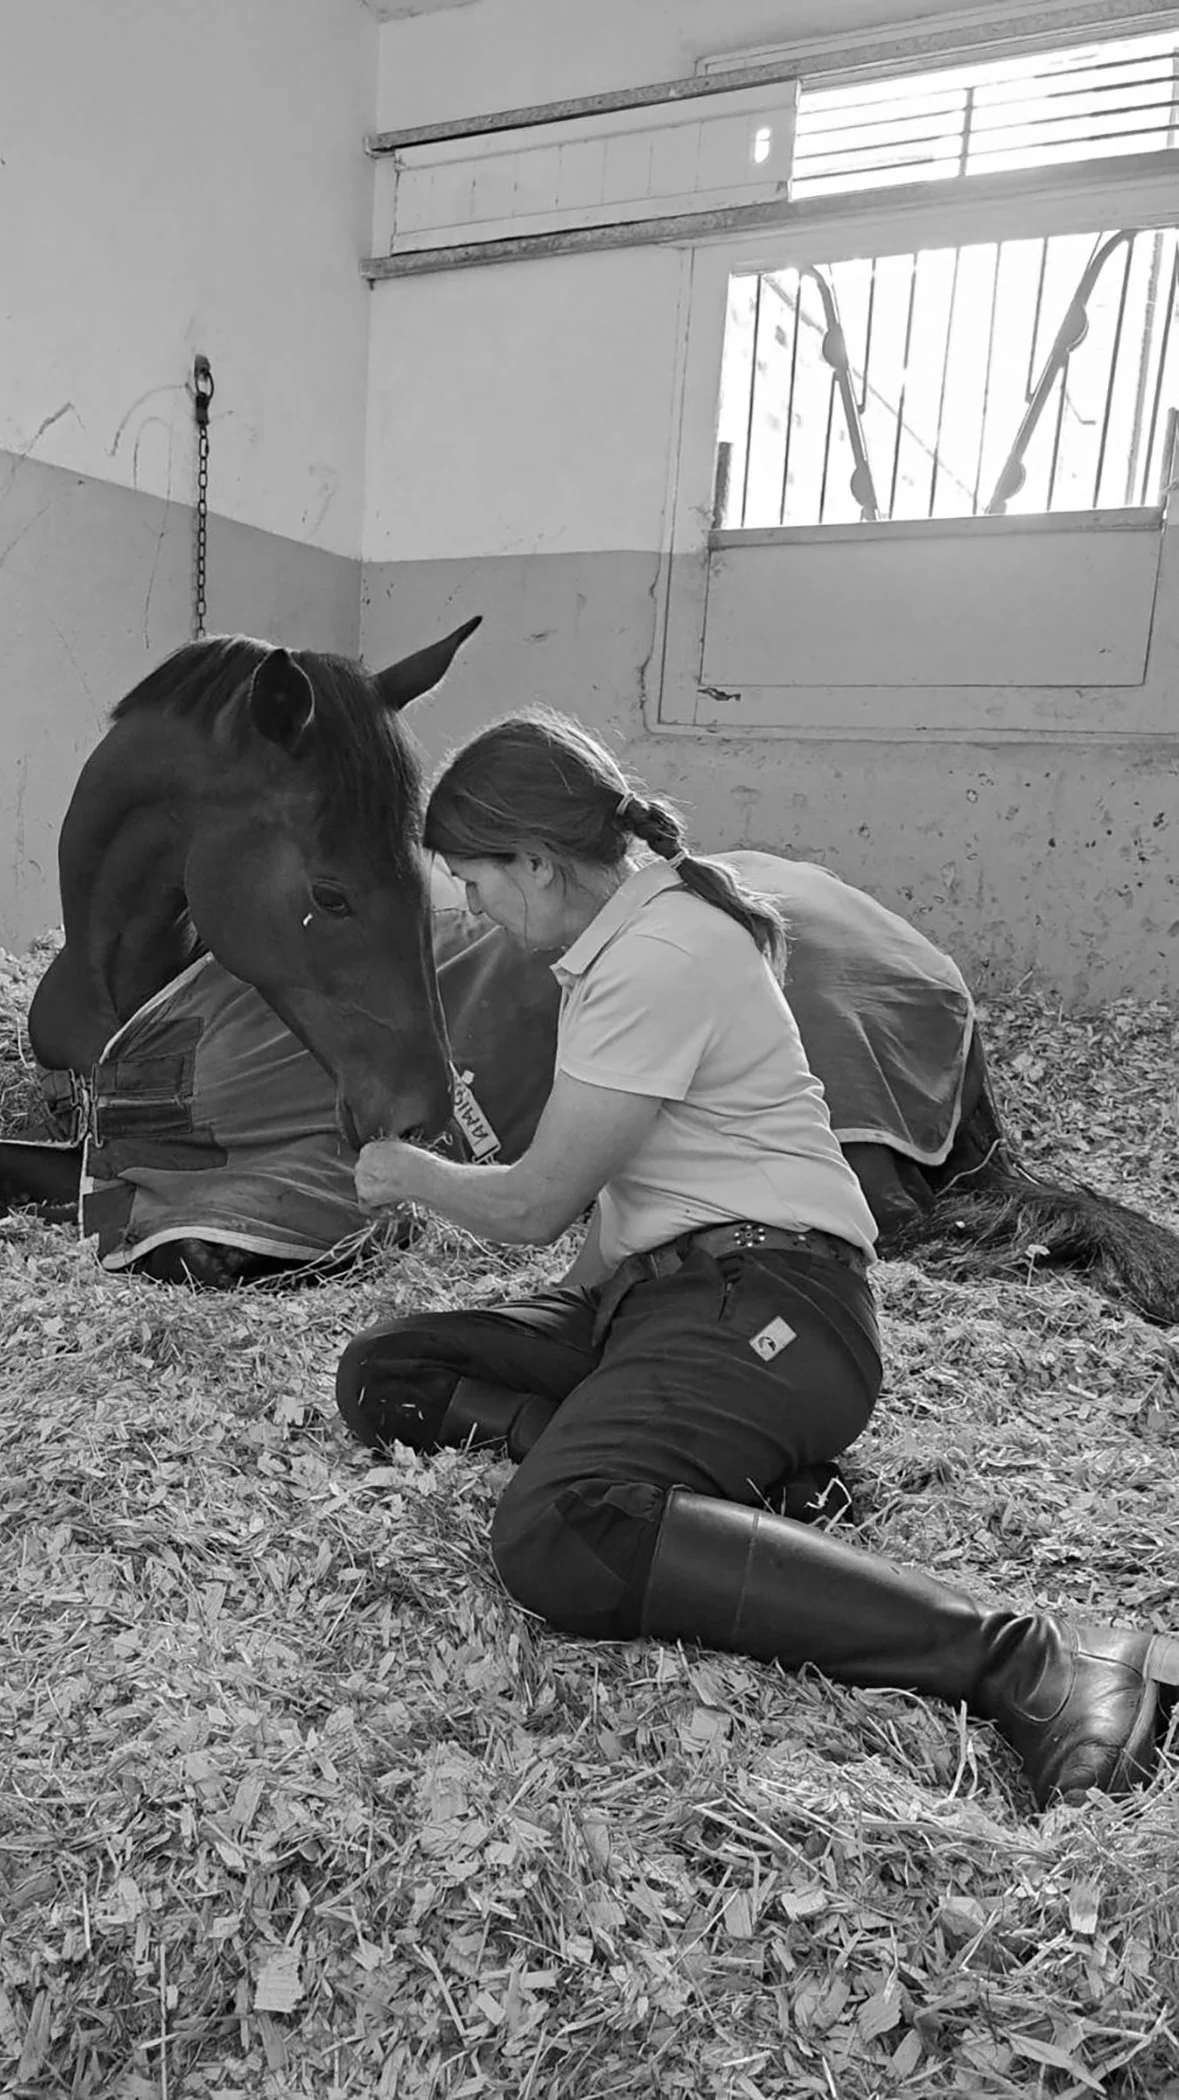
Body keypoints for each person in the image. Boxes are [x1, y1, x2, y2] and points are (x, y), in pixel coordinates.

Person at [336, 711, 1177, 1811]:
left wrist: (407, 1173)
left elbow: (539, 1202)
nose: (472, 908)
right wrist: (563, 1328)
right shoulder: (618, 948)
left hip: (775, 1311)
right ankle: (713, 1495)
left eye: (475, 881)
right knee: (386, 1374)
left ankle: (1031, 1656)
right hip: (662, 1302)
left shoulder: (663, 955)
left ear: (536, 864)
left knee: (554, 1532)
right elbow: (623, 1195)